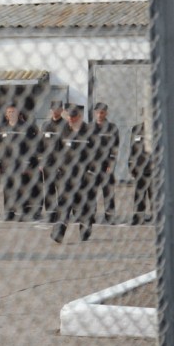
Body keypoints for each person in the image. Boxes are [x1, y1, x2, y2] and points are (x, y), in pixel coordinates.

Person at [50, 104, 96, 243]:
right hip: (65, 176)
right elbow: (56, 151)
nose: (71, 119)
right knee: (64, 204)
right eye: (69, 116)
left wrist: (91, 171)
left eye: (74, 117)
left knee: (83, 205)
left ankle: (85, 231)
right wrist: (57, 168)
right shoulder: (63, 130)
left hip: (84, 176)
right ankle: (58, 234)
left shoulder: (89, 131)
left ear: (80, 117)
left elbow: (96, 153)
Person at [0, 103, 41, 221]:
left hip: (21, 164)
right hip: (6, 165)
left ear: (18, 113)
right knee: (7, 189)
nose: (11, 114)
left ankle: (23, 212)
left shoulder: (25, 127)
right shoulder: (1, 128)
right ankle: (9, 213)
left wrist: (26, 164)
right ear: (6, 115)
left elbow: (30, 147)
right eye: (9, 112)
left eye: (13, 112)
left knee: (22, 189)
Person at [88, 102, 119, 224]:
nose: (99, 115)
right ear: (94, 113)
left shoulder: (112, 128)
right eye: (97, 112)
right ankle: (91, 215)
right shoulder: (90, 128)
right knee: (91, 192)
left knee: (108, 192)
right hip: (92, 166)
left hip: (106, 166)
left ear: (106, 113)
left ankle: (110, 216)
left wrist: (111, 164)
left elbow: (115, 148)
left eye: (102, 113)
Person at [40, 100, 68, 222]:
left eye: (58, 108)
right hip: (48, 163)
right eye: (54, 108)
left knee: (61, 189)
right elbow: (40, 144)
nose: (56, 111)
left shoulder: (66, 125)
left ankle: (61, 214)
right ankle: (51, 214)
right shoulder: (45, 125)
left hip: (61, 164)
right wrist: (41, 161)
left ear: (62, 110)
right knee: (49, 189)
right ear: (51, 110)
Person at [129, 121, 154, 225]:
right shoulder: (136, 129)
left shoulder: (157, 129)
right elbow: (132, 149)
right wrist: (131, 165)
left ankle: (156, 216)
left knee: (154, 194)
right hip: (140, 168)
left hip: (154, 168)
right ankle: (138, 218)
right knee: (139, 194)